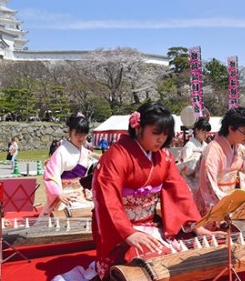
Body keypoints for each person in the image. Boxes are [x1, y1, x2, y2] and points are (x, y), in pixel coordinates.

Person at [91, 102, 216, 279]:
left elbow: (179, 192)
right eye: (156, 133)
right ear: (138, 128)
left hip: (151, 223)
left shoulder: (164, 157)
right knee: (143, 260)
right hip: (120, 229)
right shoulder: (115, 157)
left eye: (165, 135)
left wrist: (196, 225)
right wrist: (128, 232)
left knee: (189, 247)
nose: (161, 139)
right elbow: (106, 199)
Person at [194, 107, 245, 216]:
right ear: (231, 128)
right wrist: (228, 206)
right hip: (216, 203)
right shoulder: (212, 150)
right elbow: (209, 186)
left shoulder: (241, 149)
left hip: (234, 203)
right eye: (244, 132)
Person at [41, 112, 98, 217]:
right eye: (77, 134)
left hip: (82, 193)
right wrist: (58, 193)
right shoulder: (61, 152)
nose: (81, 138)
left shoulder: (85, 152)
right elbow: (50, 176)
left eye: (84, 134)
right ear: (70, 132)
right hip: (64, 194)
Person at [178, 118, 211, 191]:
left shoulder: (206, 145)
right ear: (196, 130)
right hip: (191, 179)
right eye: (204, 132)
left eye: (207, 132)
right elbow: (186, 164)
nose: (206, 135)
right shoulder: (189, 145)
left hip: (203, 178)